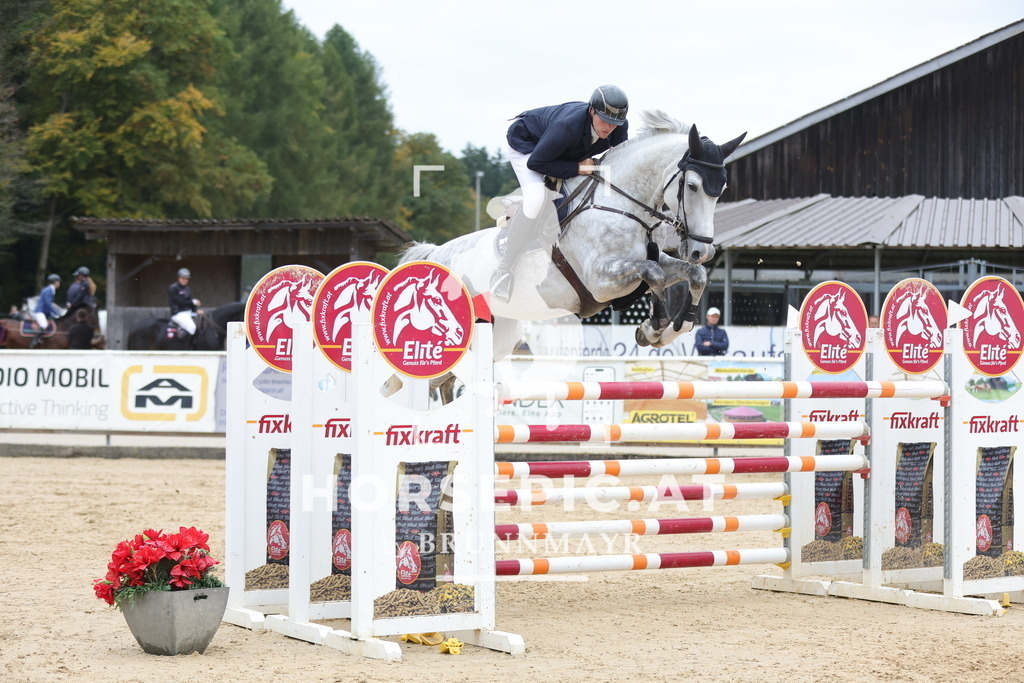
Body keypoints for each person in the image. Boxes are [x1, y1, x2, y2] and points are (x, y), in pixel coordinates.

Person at [491, 84, 630, 302]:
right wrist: (577, 168)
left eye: (615, 123)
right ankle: (502, 271)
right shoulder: (568, 126)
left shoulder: (618, 125)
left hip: (562, 151)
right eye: (605, 120)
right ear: (592, 111)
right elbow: (538, 162)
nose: (610, 127)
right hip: (529, 146)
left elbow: (620, 162)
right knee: (536, 199)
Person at [31, 274, 62, 348]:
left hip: (44, 311)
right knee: (44, 325)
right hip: (39, 311)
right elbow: (48, 304)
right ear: (55, 282)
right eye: (59, 282)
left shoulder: (50, 289)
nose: (59, 284)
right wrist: (56, 313)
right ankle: (35, 341)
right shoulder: (49, 290)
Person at [168, 268, 201, 336]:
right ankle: (188, 346)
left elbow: (189, 301)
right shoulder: (173, 288)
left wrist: (195, 311)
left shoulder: (187, 288)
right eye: (183, 278)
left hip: (188, 312)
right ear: (178, 278)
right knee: (192, 328)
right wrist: (193, 302)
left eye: (187, 278)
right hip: (178, 313)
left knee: (201, 322)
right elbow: (180, 301)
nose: (185, 280)